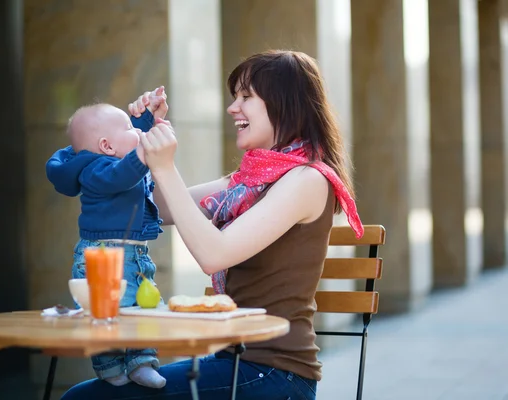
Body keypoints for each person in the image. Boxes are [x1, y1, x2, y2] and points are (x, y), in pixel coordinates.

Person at [61, 50, 364, 400]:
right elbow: (150, 208)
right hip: (235, 361)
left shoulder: (308, 179)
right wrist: (135, 141)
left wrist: (164, 167)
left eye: (246, 97)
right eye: (235, 97)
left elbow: (213, 255)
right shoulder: (248, 182)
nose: (233, 108)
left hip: (275, 374)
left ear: (285, 103)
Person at [46, 88, 170, 389]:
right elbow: (123, 173)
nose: (136, 131)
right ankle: (110, 366)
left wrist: (148, 118)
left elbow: (126, 149)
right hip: (103, 255)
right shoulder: (94, 171)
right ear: (106, 145)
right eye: (129, 128)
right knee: (107, 313)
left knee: (144, 308)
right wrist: (144, 153)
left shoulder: (114, 156)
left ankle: (141, 362)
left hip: (134, 255)